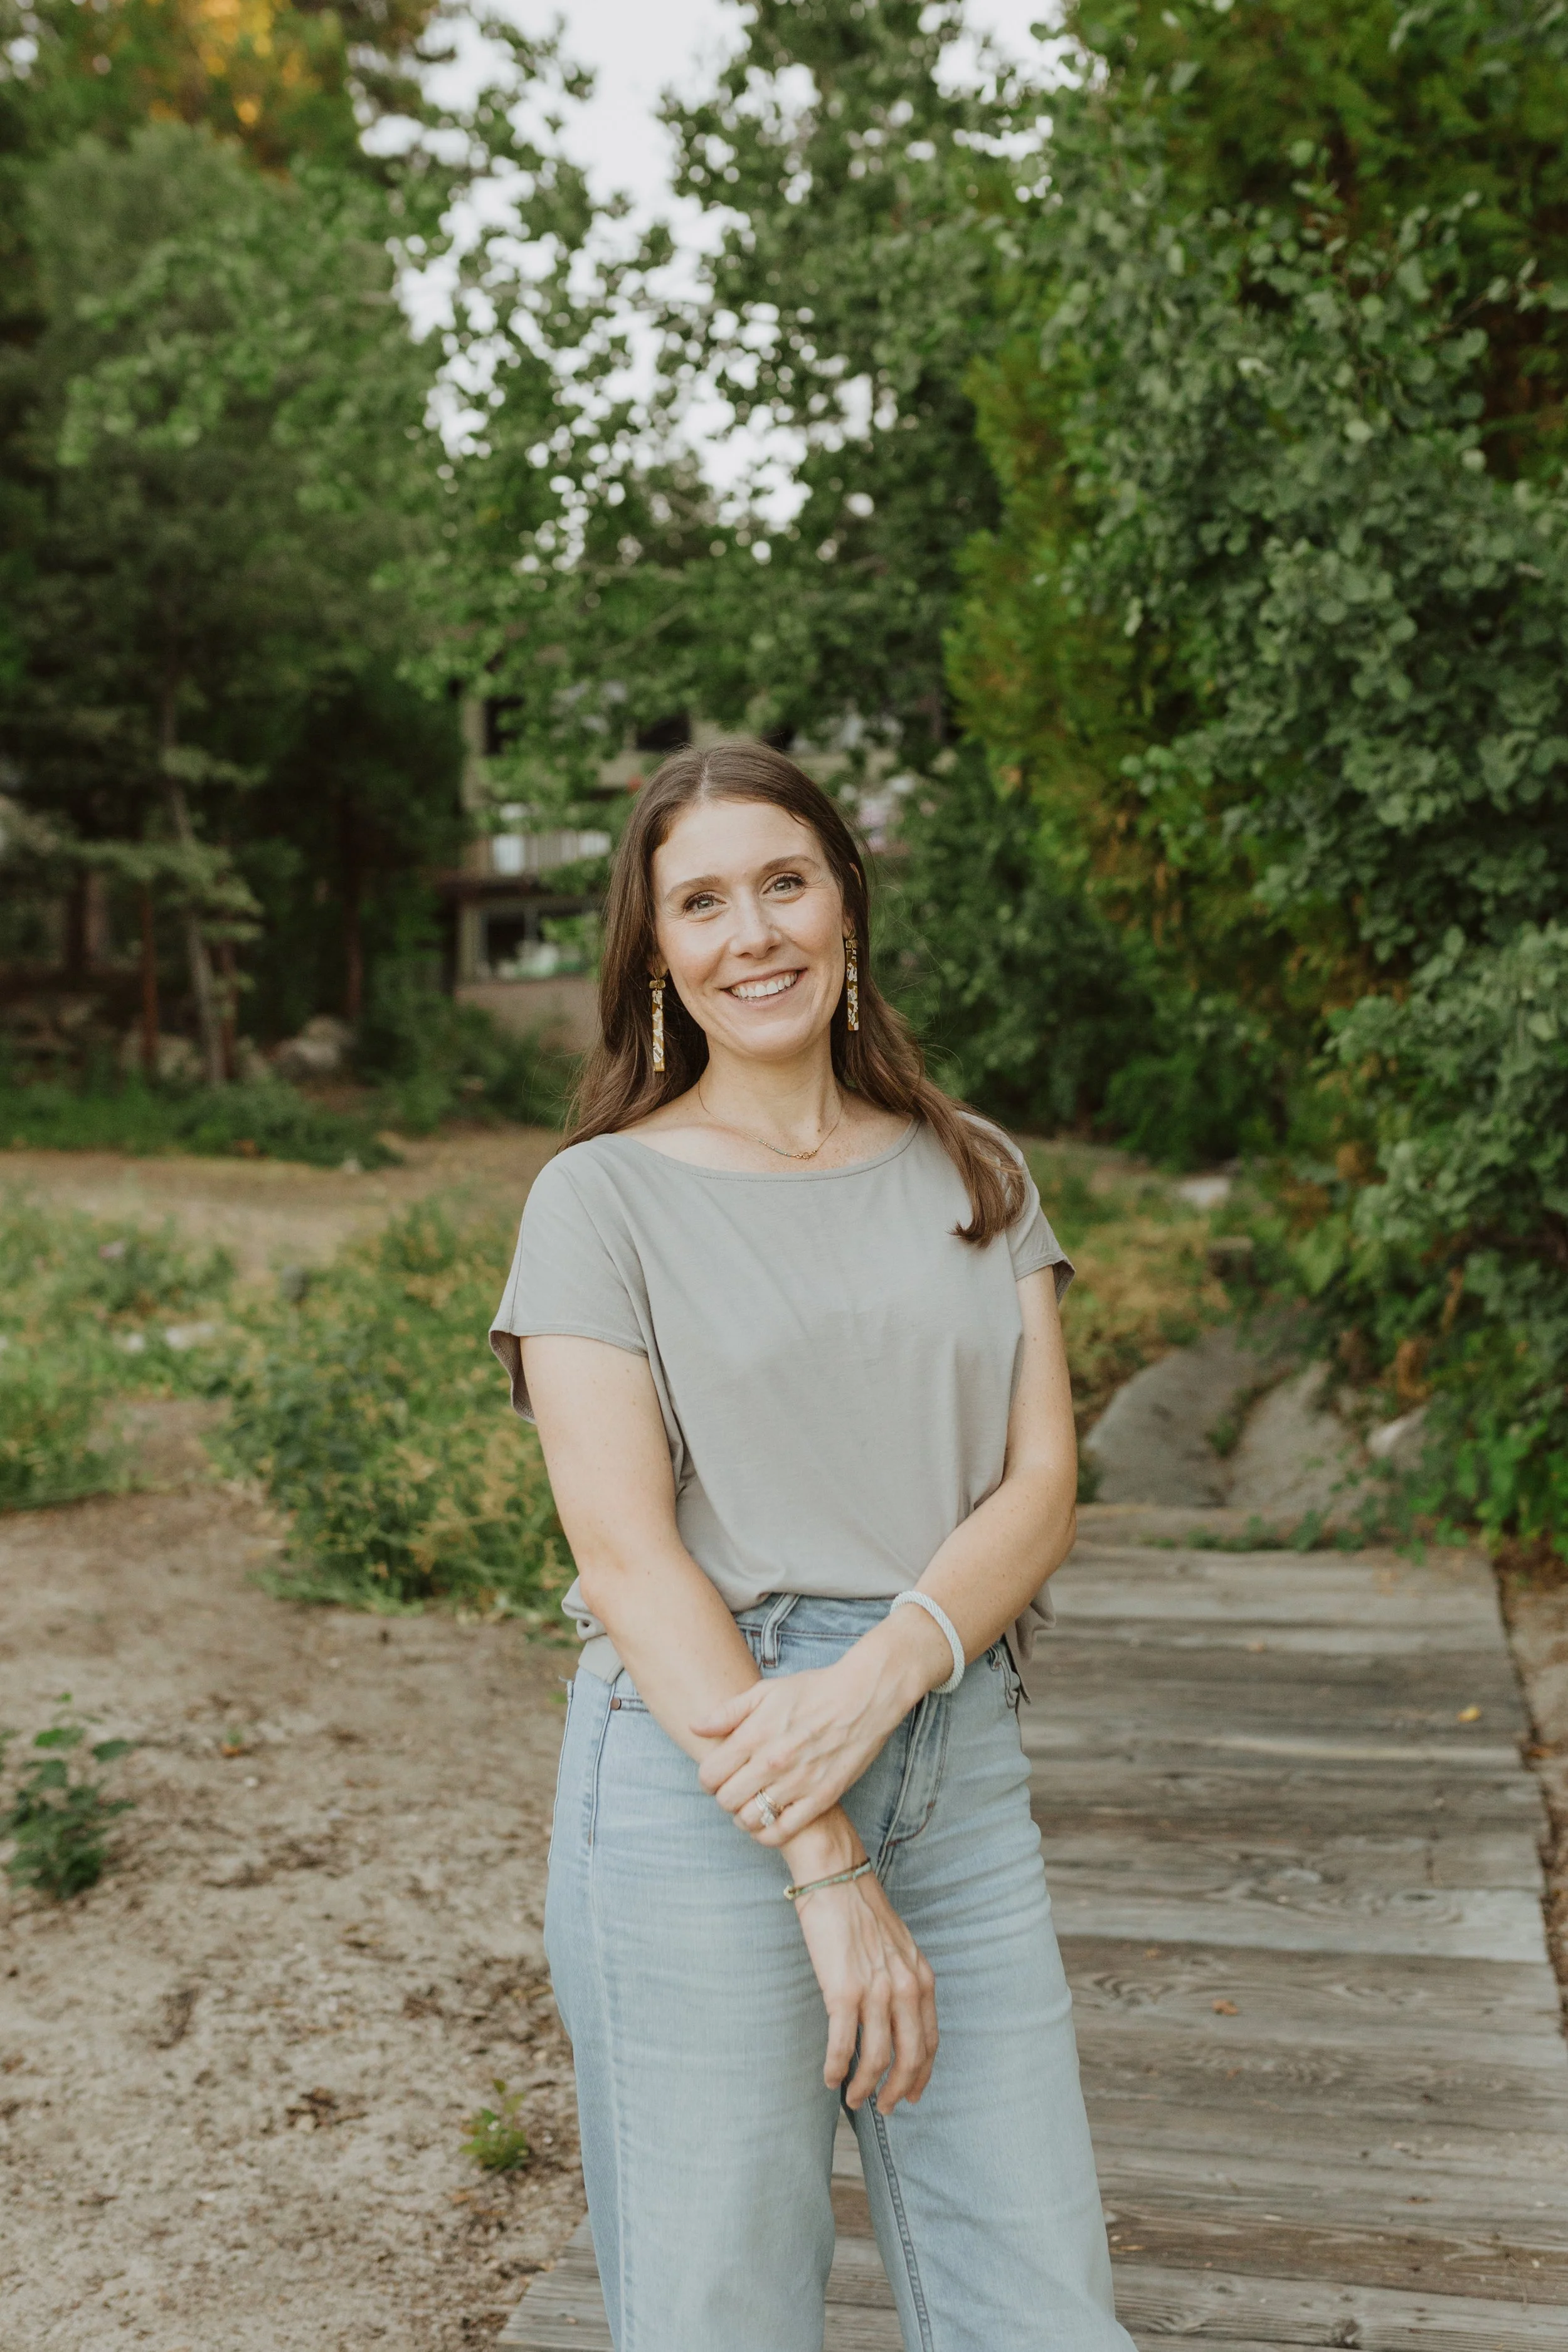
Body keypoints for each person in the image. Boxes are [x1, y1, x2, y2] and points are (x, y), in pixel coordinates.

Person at [490, 739, 1134, 2352]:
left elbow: (1041, 1483)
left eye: (782, 881)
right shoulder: (599, 1200)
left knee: (1041, 2315)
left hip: (950, 1758)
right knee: (722, 2316)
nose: (750, 933)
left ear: (844, 899)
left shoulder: (974, 1168)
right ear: (654, 957)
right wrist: (821, 1856)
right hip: (707, 1773)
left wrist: (895, 1667)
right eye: (698, 902)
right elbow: (628, 1553)